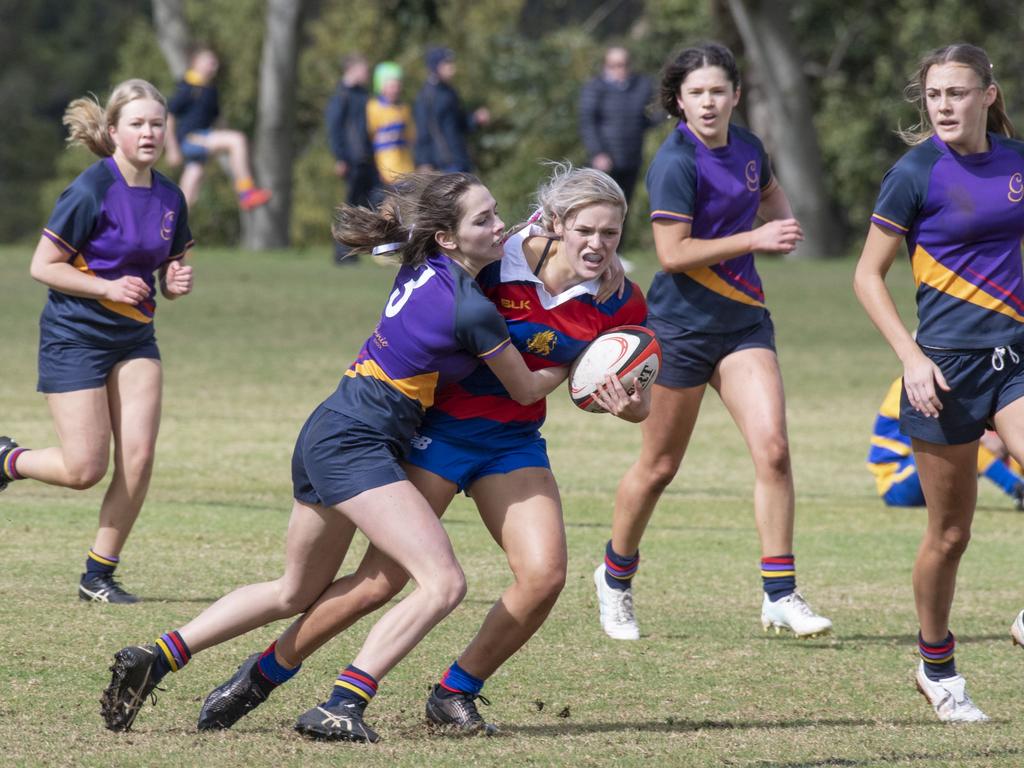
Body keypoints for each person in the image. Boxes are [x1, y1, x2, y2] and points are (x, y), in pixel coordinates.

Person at [99, 171, 569, 740]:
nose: (499, 226)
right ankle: (342, 704)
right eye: (484, 219)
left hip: (329, 427)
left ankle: (159, 655)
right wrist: (583, 357)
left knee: (293, 591)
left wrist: (529, 231)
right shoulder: (471, 308)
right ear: (446, 236)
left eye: (498, 213)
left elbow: (501, 239)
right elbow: (524, 389)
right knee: (442, 583)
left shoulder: (425, 264)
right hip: (357, 444)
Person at [185, 164, 645, 737]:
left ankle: (455, 692)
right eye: (586, 232)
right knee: (381, 581)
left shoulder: (619, 302)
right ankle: (264, 673)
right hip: (437, 432)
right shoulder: (497, 257)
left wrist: (625, 404)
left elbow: (639, 393)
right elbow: (428, 262)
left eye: (611, 234)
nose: (598, 246)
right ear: (553, 222)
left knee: (545, 574)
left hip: (511, 443)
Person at [593, 42, 833, 643]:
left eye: (718, 91)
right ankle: (614, 577)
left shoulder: (750, 147)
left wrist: (779, 223)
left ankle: (780, 593)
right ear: (679, 100)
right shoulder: (675, 162)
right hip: (679, 330)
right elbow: (672, 255)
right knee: (659, 467)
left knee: (774, 451)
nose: (708, 101)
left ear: (735, 95)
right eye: (696, 92)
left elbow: (773, 195)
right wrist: (756, 239)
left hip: (745, 322)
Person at [853, 42, 1024, 723]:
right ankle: (937, 667)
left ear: (988, 94)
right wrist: (910, 358)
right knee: (949, 537)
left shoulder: (1017, 164)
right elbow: (867, 276)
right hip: (944, 371)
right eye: (934, 95)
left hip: (1014, 359)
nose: (944, 105)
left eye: (957, 92)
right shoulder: (915, 172)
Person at [0, 80, 194, 604]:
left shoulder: (171, 196)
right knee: (84, 469)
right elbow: (42, 266)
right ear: (114, 132)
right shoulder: (91, 189)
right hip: (75, 338)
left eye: (157, 123)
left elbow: (166, 270)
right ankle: (6, 461)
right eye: (137, 124)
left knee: (139, 457)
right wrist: (106, 286)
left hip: (134, 338)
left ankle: (98, 575)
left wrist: (173, 284)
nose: (149, 132)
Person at [869, 376, 1024, 508]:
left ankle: (1019, 486)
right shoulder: (910, 383)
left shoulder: (953, 384)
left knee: (1006, 439)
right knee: (960, 444)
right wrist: (987, 440)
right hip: (897, 482)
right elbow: (942, 427)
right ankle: (1016, 488)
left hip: (929, 481)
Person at [164, 46, 271, 211]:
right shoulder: (187, 88)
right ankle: (246, 192)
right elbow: (168, 116)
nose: (214, 66)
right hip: (190, 139)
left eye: (215, 63)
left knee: (193, 180)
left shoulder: (211, 91)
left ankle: (170, 223)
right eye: (209, 61)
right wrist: (172, 149)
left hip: (203, 139)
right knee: (237, 140)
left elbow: (218, 121)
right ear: (195, 62)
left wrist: (230, 142)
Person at [578, 46, 657, 242]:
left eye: (623, 65)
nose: (619, 69)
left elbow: (650, 116)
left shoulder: (641, 86)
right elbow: (588, 122)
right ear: (606, 66)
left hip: (631, 157)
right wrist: (597, 153)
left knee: (623, 206)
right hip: (604, 159)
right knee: (600, 205)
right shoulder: (595, 88)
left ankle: (617, 250)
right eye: (614, 65)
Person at [325, 53, 378, 264]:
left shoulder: (364, 95)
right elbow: (334, 129)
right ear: (353, 69)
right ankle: (342, 253)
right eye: (365, 70)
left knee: (365, 206)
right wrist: (340, 157)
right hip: (351, 160)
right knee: (349, 208)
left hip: (367, 160)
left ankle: (355, 251)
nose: (367, 74)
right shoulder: (341, 96)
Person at [413, 46, 490, 173]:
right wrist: (424, 162)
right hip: (443, 165)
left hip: (460, 159)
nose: (452, 67)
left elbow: (458, 124)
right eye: (447, 63)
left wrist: (475, 119)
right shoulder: (426, 97)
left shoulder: (449, 91)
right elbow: (423, 133)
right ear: (435, 67)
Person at [366, 62, 415, 191]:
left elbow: (411, 137)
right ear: (381, 86)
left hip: (406, 169)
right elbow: (369, 138)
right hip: (385, 171)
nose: (396, 89)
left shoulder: (404, 108)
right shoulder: (373, 108)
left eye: (398, 85)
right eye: (391, 85)